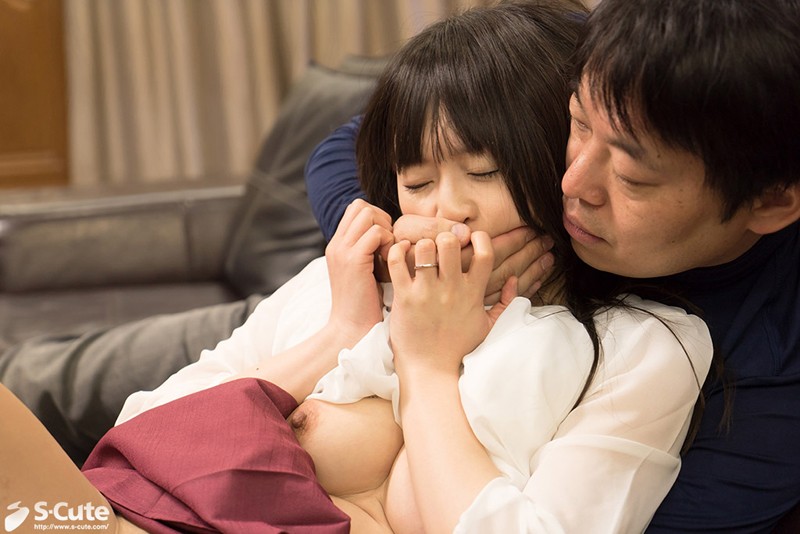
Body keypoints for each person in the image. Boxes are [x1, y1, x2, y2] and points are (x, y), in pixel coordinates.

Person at [95, 1, 711, 532]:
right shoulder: (350, 284)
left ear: (560, 161)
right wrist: (339, 333)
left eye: (484, 172)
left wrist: (428, 367)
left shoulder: (642, 345)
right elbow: (140, 435)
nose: (447, 208)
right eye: (416, 182)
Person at [304, 0, 800, 531]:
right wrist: (399, 251)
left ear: (770, 202)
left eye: (632, 177)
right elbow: (342, 147)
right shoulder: (627, 51)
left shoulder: (765, 395)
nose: (572, 183)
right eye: (577, 123)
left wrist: (427, 366)